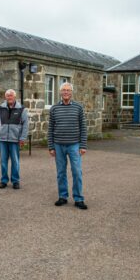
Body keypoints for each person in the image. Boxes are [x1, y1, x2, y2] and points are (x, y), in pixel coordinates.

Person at [48, 82, 88, 210]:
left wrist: (83, 145)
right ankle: (63, 196)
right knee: (61, 172)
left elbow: (83, 127)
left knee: (77, 171)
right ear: (60, 92)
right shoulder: (54, 108)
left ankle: (78, 198)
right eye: (64, 90)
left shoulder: (78, 107)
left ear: (71, 92)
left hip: (74, 145)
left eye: (68, 90)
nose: (66, 92)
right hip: (58, 145)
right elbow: (50, 128)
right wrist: (51, 146)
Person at [0, 89, 28, 189]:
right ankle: (4, 180)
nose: (9, 97)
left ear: (15, 97)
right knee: (3, 161)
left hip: (15, 139)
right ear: (5, 97)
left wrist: (22, 138)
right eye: (7, 96)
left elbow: (25, 125)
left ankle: (15, 181)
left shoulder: (21, 109)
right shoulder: (0, 108)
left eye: (11, 96)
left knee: (15, 161)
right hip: (2, 139)